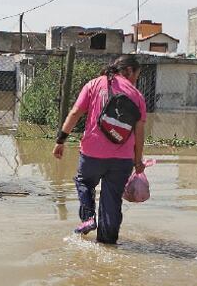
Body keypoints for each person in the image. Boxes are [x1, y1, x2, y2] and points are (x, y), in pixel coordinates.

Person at [53, 55, 148, 244]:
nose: (135, 80)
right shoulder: (137, 96)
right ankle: (107, 244)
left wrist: (61, 140)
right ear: (128, 70)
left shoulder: (94, 85)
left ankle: (88, 218)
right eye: (135, 76)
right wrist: (138, 162)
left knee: (84, 182)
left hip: (92, 153)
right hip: (122, 160)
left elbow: (75, 113)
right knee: (112, 201)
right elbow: (139, 133)